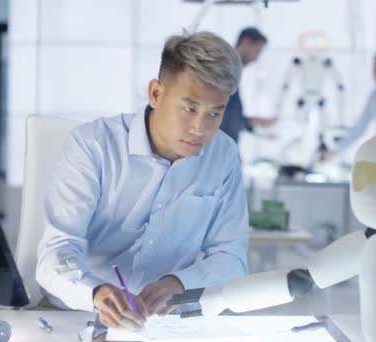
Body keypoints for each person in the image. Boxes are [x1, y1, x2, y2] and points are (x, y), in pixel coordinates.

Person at [36, 31, 249, 332]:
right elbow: (54, 253)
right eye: (189, 108)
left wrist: (178, 283)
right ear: (156, 94)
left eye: (215, 113)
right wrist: (96, 293)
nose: (200, 128)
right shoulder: (93, 146)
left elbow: (232, 258)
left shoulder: (223, 155)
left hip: (164, 323)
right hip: (76, 315)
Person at [220, 27, 276, 144]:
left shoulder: (232, 73)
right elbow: (222, 115)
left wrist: (252, 122)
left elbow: (229, 112)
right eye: (257, 51)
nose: (256, 59)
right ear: (245, 42)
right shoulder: (224, 71)